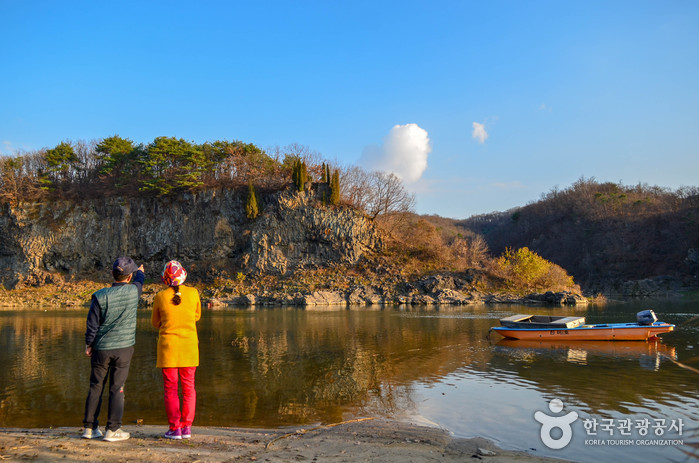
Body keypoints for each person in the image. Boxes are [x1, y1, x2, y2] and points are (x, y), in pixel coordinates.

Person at [82, 257, 144, 441]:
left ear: (112, 274)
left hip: (101, 348)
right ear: (129, 277)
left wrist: (89, 344)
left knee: (95, 386)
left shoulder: (100, 295)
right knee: (117, 388)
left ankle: (89, 428)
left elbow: (92, 325)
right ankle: (113, 429)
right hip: (124, 348)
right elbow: (140, 280)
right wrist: (140, 271)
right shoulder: (134, 291)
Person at [151, 260, 201, 439]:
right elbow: (197, 316)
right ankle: (186, 427)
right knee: (189, 388)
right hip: (189, 348)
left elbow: (155, 323)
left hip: (168, 349)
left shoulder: (160, 297)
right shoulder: (194, 293)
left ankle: (174, 428)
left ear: (165, 278)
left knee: (170, 389)